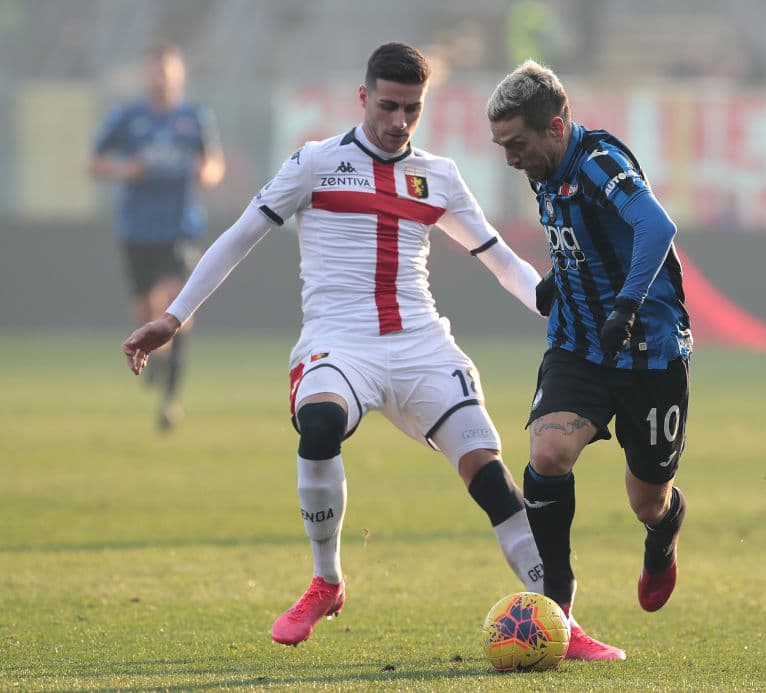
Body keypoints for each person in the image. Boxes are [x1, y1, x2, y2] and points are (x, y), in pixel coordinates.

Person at [121, 42, 610, 656]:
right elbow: (238, 237)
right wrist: (173, 317)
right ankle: (326, 581)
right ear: (362, 97)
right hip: (339, 342)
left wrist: (553, 304)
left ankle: (562, 625)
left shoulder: (440, 177)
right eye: (388, 105)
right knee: (319, 422)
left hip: (422, 346)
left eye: (412, 108)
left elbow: (500, 260)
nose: (399, 121)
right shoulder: (315, 163)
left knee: (491, 480)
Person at [487, 61, 694, 661]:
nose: (510, 158)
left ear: (555, 127)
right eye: (501, 146)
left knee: (646, 499)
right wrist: (557, 280)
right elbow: (587, 236)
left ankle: (664, 531)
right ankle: (560, 608)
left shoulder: (601, 163)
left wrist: (626, 306)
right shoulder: (542, 167)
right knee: (547, 453)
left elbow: (656, 227)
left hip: (648, 351)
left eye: (517, 144)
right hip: (578, 345)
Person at [91, 41, 225, 431]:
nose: (160, 75)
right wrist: (122, 171)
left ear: (179, 72)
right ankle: (155, 358)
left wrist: (207, 174)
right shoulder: (128, 117)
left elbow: (213, 164)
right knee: (146, 312)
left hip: (179, 228)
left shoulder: (194, 117)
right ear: (144, 73)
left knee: (177, 308)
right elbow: (94, 161)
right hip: (136, 229)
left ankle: (170, 402)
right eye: (154, 68)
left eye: (167, 68)